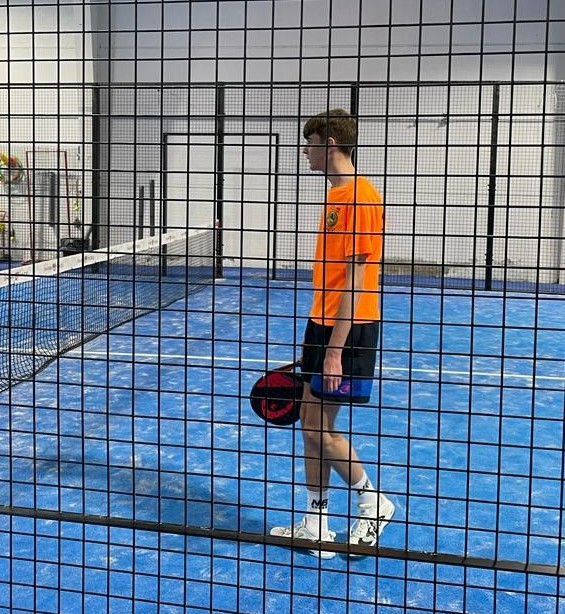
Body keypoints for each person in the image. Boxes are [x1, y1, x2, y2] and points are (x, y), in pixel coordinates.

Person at [270, 109, 394, 558]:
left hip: (349, 330)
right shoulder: (336, 195)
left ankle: (373, 503)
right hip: (322, 324)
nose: (305, 152)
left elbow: (356, 283)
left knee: (321, 431)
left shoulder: (360, 198)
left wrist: (334, 351)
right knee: (311, 428)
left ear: (329, 144)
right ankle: (316, 525)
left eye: (310, 144)